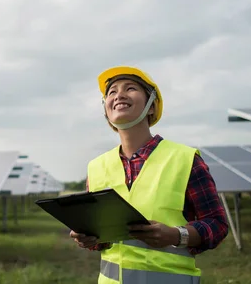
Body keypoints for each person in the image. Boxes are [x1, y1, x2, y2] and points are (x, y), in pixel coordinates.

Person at [69, 66, 228, 284]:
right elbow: (102, 242)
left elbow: (217, 224)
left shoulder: (185, 159)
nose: (119, 95)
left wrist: (176, 235)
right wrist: (88, 238)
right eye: (112, 92)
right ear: (106, 109)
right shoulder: (96, 167)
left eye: (130, 88)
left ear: (151, 107)